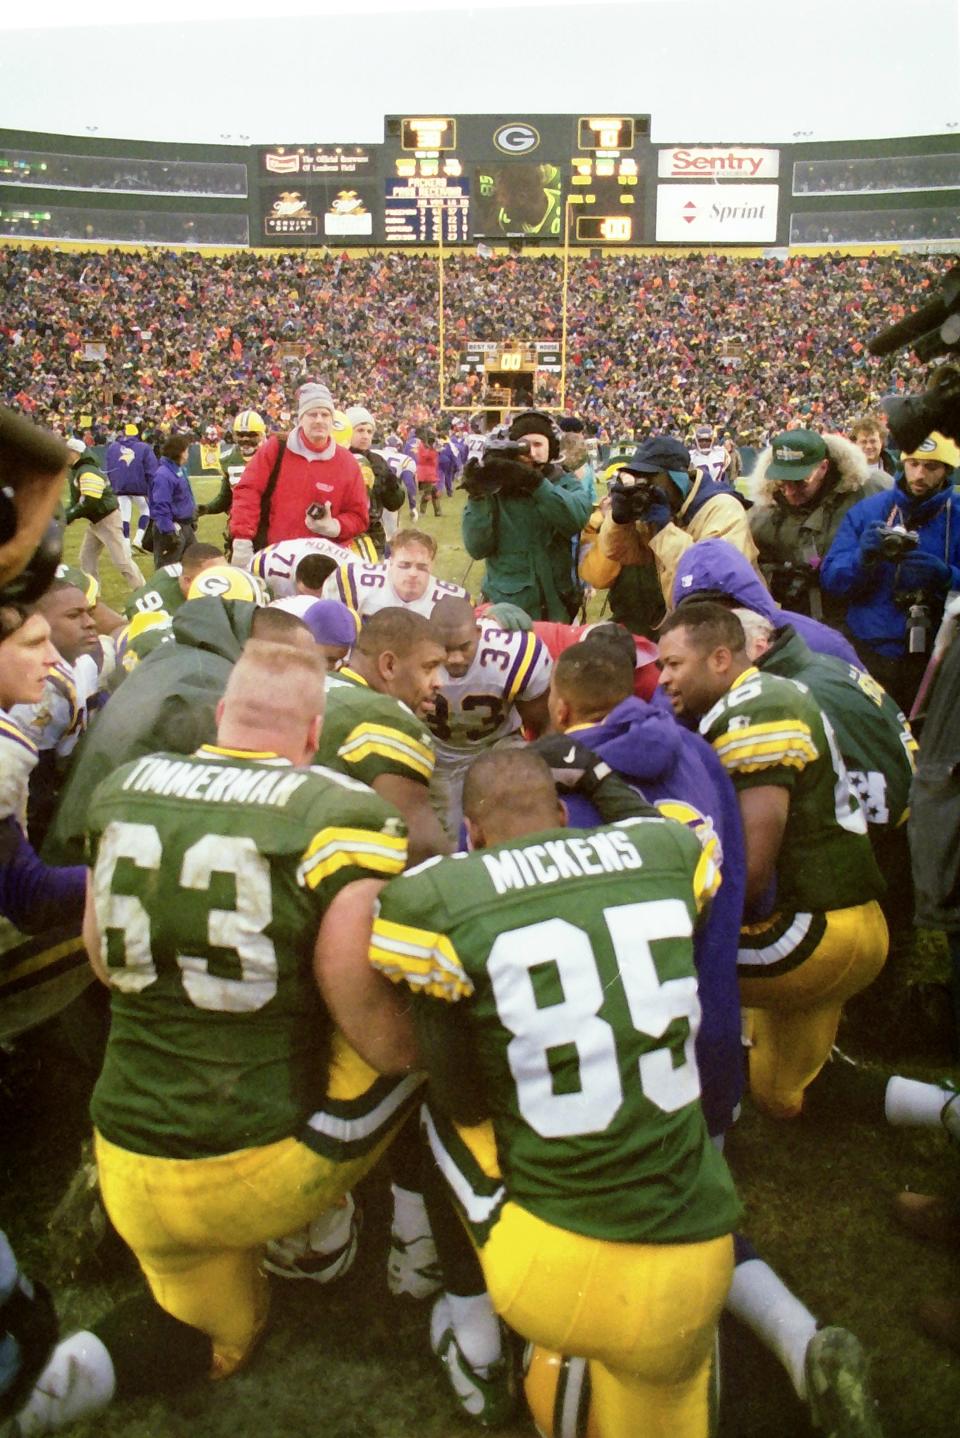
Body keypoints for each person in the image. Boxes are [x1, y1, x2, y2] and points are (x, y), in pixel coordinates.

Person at [11, 640, 424, 1434]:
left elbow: (103, 963)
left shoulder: (126, 788)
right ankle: (409, 1249)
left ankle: (44, 1391)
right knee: (428, 1036)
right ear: (311, 738)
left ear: (221, 715)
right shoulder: (343, 818)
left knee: (212, 1332)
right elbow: (376, 1033)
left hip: (131, 1158)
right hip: (258, 1163)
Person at [334, 747, 741, 1438]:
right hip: (701, 1258)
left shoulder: (441, 896)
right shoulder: (665, 851)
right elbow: (649, 827)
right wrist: (602, 780)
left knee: (438, 1113)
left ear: (474, 833)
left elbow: (462, 1096)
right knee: (658, 1394)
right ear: (561, 814)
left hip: (558, 1269)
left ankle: (473, 1335)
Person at [657, 602, 889, 1121]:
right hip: (847, 919)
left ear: (720, 658)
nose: (663, 678)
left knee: (647, 965)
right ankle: (943, 1108)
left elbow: (751, 869)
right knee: (783, 1095)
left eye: (674, 664)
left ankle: (677, 1123)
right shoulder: (765, 693)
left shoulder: (752, 709)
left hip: (814, 928)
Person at [821, 431, 960, 713]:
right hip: (871, 650)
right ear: (903, 463)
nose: (920, 474)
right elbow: (832, 581)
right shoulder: (869, 511)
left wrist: (948, 577)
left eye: (931, 467)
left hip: (939, 657)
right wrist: (862, 559)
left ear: (947, 470)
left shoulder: (955, 516)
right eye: (914, 464)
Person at [317, 607, 450, 869]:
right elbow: (420, 847)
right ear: (389, 665)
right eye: (429, 667)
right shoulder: (387, 717)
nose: (439, 682)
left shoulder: (313, 683)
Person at [427, 595, 552, 839]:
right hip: (436, 753)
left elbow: (541, 725)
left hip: (498, 743)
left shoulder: (515, 653)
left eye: (464, 647)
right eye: (445, 648)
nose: (455, 658)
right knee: (449, 840)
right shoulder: (411, 655)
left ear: (478, 632)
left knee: (515, 822)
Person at [596, 434, 758, 620]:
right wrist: (619, 522)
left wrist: (665, 530)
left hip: (733, 622)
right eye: (639, 479)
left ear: (676, 477)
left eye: (650, 479)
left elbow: (715, 580)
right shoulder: (666, 508)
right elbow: (621, 553)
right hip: (691, 620)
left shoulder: (723, 508)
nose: (645, 487)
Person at [461, 411, 591, 623]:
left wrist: (535, 484)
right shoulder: (497, 490)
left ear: (552, 448)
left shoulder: (565, 483)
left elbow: (574, 519)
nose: (531, 451)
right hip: (507, 609)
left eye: (538, 444)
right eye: (523, 444)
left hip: (557, 606)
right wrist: (477, 495)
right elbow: (477, 547)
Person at [748, 429, 886, 624]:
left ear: (823, 467)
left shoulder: (868, 492)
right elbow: (751, 564)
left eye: (799, 482)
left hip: (858, 616)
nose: (789, 492)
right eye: (781, 482)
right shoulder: (765, 512)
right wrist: (775, 577)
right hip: (799, 620)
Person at [228, 383, 369, 564]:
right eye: (312, 414)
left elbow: (359, 516)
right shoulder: (275, 449)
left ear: (332, 420)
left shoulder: (347, 463)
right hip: (274, 557)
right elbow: (247, 491)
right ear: (301, 418)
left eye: (325, 414)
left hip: (322, 564)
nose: (319, 420)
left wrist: (335, 526)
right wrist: (242, 540)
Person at [323, 528, 469, 620]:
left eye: (422, 567)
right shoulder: (353, 580)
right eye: (404, 565)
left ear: (432, 565)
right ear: (390, 562)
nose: (413, 573)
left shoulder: (453, 601)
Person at [62, 438, 143, 593]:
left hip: (107, 519)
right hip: (96, 521)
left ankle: (141, 590)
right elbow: (77, 501)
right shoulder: (77, 470)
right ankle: (93, 592)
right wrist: (66, 515)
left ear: (75, 453)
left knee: (122, 561)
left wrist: (68, 516)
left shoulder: (87, 471)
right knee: (87, 558)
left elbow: (89, 501)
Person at [344, 404, 405, 553]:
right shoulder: (337, 458)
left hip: (373, 536)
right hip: (345, 535)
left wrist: (393, 487)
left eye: (369, 431)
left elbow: (393, 504)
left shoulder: (378, 461)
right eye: (359, 430)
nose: (365, 435)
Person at [196, 409, 268, 534]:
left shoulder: (273, 457)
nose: (245, 439)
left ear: (262, 434)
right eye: (240, 434)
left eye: (252, 434)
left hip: (268, 526)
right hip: (240, 526)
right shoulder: (228, 459)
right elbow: (226, 498)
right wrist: (207, 508)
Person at [124, 542, 223, 621]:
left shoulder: (186, 572)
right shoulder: (161, 606)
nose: (224, 582)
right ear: (187, 581)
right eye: (213, 579)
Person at [104, 421, 157, 555]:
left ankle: (126, 546)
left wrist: (114, 483)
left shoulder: (113, 447)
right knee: (146, 510)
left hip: (120, 487)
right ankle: (138, 539)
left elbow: (109, 468)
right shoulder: (144, 448)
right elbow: (151, 470)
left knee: (125, 516)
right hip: (138, 486)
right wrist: (152, 487)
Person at [150, 431, 198, 569]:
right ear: (181, 452)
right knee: (167, 571)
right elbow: (160, 505)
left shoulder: (179, 470)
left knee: (194, 566)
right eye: (187, 450)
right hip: (172, 528)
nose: (188, 454)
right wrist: (168, 531)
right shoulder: (163, 475)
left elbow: (184, 496)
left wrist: (192, 516)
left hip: (185, 527)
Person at [849, 414, 898, 481]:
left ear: (881, 441)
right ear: (855, 444)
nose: (868, 446)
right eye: (863, 442)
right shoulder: (847, 473)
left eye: (873, 441)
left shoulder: (897, 468)